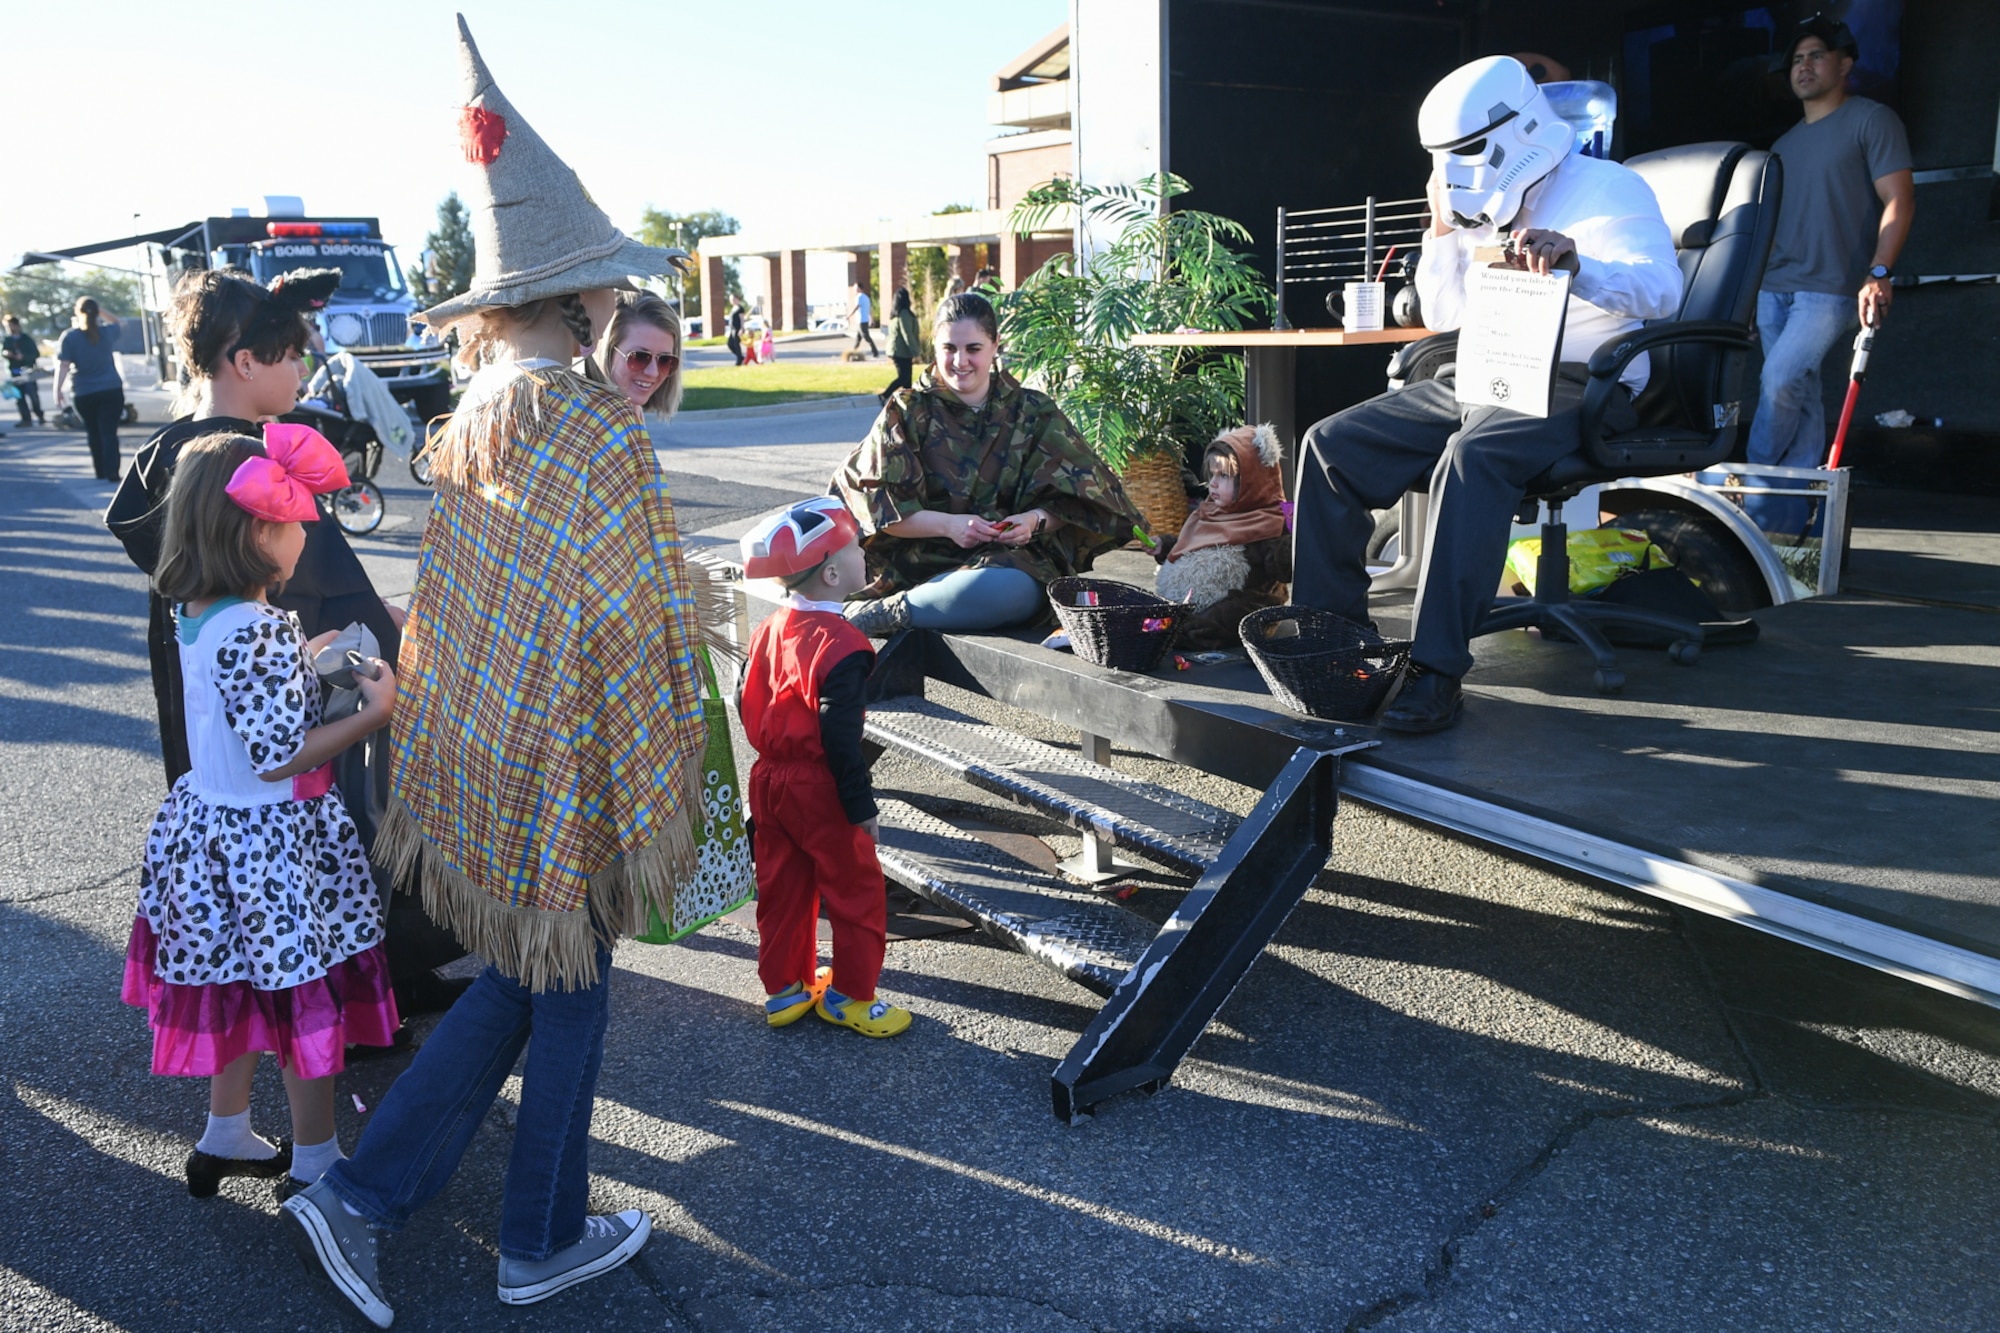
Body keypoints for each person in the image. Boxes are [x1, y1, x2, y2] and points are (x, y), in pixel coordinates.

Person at [283, 18, 705, 1326]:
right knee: (567, 984)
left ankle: (378, 1198)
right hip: (573, 760)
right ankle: (524, 1235)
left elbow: (463, 610)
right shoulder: (592, 423)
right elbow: (638, 619)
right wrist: (675, 741)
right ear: (581, 291)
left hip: (483, 750)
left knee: (541, 978)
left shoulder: (472, 418)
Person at [103, 267, 470, 1024]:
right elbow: (315, 586)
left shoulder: (173, 449)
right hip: (287, 695)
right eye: (289, 354)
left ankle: (314, 993)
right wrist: (389, 635)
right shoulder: (250, 460)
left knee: (246, 857)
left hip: (213, 691)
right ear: (243, 359)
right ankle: (358, 999)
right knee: (328, 849)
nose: (302, 370)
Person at [1290, 55, 1681, 734]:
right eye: (1444, 159)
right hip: (1487, 368)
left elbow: (1662, 291)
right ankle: (1335, 643)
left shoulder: (1607, 188)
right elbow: (1441, 314)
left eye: (1465, 154)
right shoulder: (1476, 209)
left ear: (1518, 130)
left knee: (1471, 456)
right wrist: (1441, 230)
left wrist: (1578, 262)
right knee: (1331, 444)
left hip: (1581, 380)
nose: (1455, 170)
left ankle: (1435, 671)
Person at [124, 427, 400, 1203]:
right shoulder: (255, 627)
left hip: (214, 834)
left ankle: (226, 1132)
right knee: (304, 996)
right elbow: (283, 752)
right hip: (274, 846)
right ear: (255, 529)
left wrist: (302, 660)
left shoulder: (198, 610)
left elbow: (240, 715)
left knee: (238, 986)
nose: (305, 533)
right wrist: (371, 714)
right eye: (296, 521)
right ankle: (316, 1158)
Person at [832, 290, 1143, 636]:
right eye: (949, 348)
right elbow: (880, 512)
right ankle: (899, 607)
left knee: (1015, 591)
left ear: (995, 345)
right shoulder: (907, 411)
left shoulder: (1032, 412)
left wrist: (1033, 522)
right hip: (916, 558)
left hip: (1003, 563)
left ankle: (896, 613)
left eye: (973, 349)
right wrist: (951, 526)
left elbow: (1081, 501)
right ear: (934, 347)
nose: (960, 361)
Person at [737, 497, 912, 1038]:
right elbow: (840, 736)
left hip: (768, 779)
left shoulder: (768, 627)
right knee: (854, 889)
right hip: (822, 787)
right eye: (857, 547)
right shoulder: (845, 645)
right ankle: (851, 996)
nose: (865, 553)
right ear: (834, 573)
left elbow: (745, 691)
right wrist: (861, 806)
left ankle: (785, 990)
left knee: (783, 887)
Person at [1746, 14, 1914, 534]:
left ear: (1844, 64)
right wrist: (1749, 295)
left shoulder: (1872, 120)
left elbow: (1900, 200)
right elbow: (1770, 229)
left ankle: (1748, 496)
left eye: (1816, 55)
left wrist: (1879, 271)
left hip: (1830, 288)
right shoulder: (1783, 145)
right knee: (1801, 393)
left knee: (1778, 381)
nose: (1804, 65)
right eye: (1797, 58)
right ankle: (1791, 523)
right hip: (1774, 288)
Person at [1155, 424, 1292, 650]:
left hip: (1241, 605)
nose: (1213, 483)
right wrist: (1166, 547)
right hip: (1192, 603)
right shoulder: (1210, 511)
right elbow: (1194, 547)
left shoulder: (1270, 521)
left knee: (1221, 620)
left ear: (1251, 480)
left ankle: (1186, 629)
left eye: (1224, 475)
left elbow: (1285, 568)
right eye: (1213, 474)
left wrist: (1290, 546)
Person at [54, 296, 125, 479]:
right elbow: (119, 322)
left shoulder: (70, 337)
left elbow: (63, 365)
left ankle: (100, 470)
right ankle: (113, 471)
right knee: (109, 432)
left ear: (78, 313)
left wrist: (58, 390)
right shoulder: (107, 332)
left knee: (93, 432)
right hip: (111, 389)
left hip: (84, 392)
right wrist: (99, 309)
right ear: (96, 312)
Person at [601, 290, 684, 422]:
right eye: (639, 357)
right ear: (608, 351)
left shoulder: (632, 412)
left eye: (665, 360)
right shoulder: (598, 423)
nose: (653, 373)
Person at [879, 286, 919, 404]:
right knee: (904, 377)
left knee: (907, 381)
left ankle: (908, 403)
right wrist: (915, 351)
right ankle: (884, 395)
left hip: (900, 351)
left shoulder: (895, 314)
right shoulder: (904, 314)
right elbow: (907, 335)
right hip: (901, 352)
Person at [4, 314, 45, 426]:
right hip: (14, 371)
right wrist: (6, 354)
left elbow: (35, 353)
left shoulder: (26, 339)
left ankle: (40, 415)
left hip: (28, 371)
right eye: (7, 326)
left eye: (11, 326)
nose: (9, 328)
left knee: (33, 395)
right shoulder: (7, 340)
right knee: (19, 397)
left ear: (17, 325)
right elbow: (3, 351)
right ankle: (26, 419)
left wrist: (24, 357)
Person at [849, 282, 878, 356]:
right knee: (858, 338)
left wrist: (849, 315)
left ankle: (875, 352)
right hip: (865, 320)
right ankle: (854, 352)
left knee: (866, 337)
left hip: (861, 320)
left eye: (855, 288)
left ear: (859, 288)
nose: (854, 290)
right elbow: (870, 309)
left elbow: (856, 307)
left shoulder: (859, 297)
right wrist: (872, 319)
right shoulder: (866, 297)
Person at [726, 299, 746, 365]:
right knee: (730, 344)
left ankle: (739, 361)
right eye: (731, 300)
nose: (732, 301)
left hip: (738, 329)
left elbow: (742, 319)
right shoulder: (733, 308)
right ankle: (740, 357)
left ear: (737, 299)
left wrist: (742, 328)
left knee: (736, 344)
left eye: (733, 299)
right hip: (732, 329)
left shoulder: (740, 308)